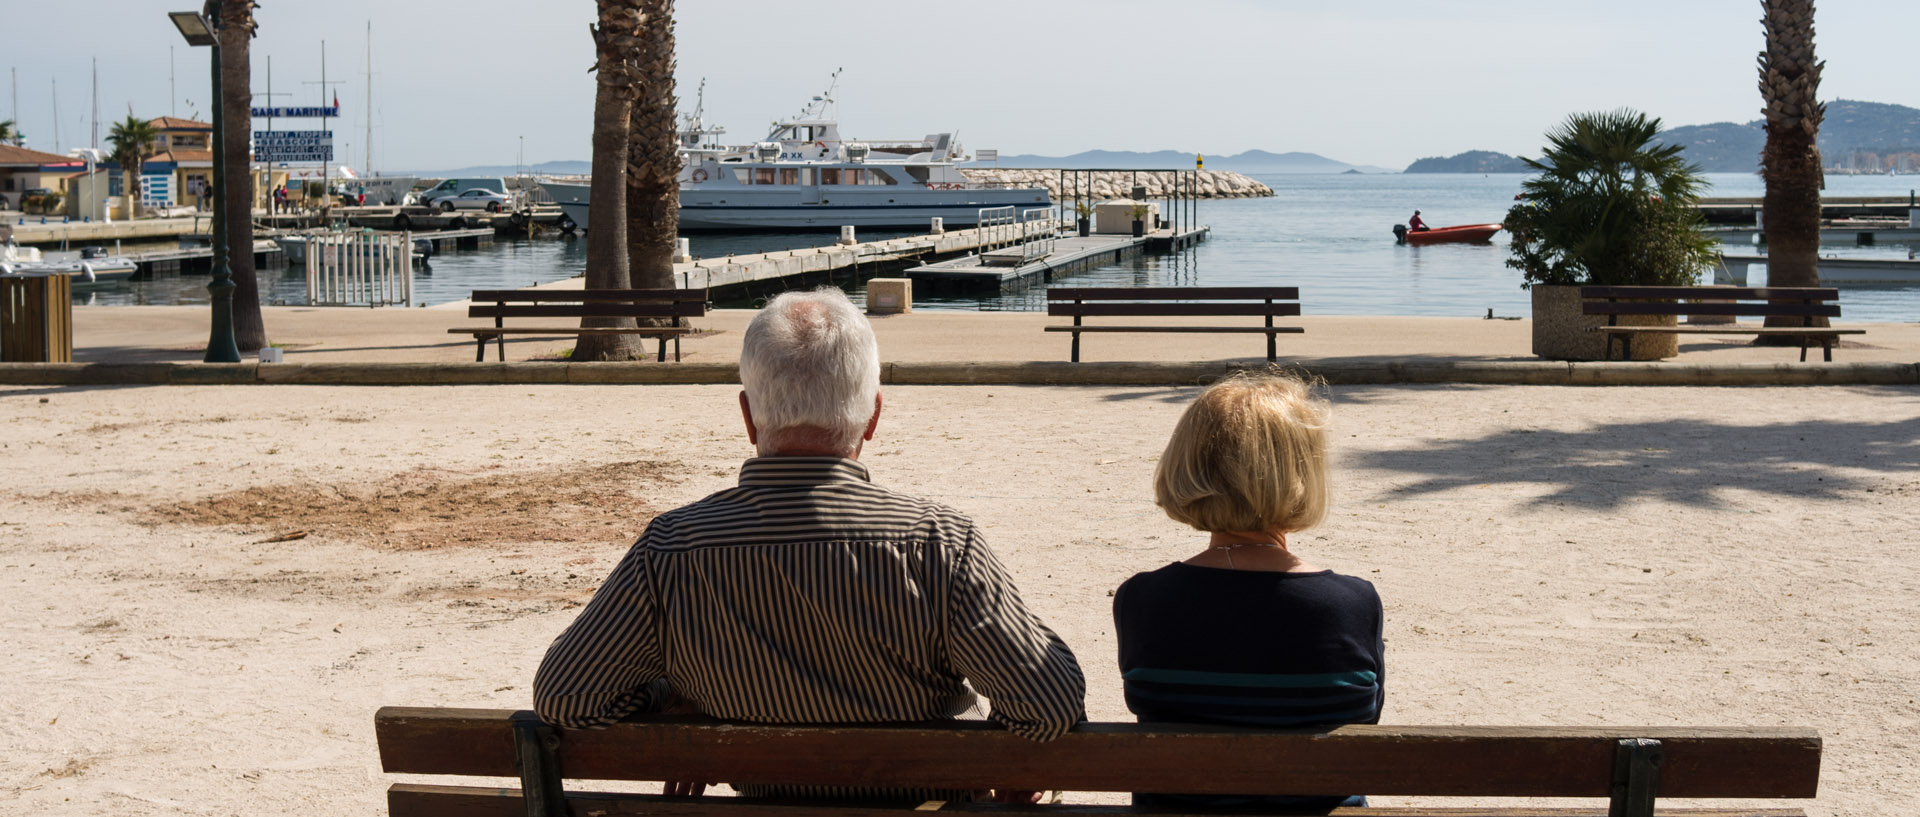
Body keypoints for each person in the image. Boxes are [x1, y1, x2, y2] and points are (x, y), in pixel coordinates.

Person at [534, 287, 1085, 801]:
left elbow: (567, 697)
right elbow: (1050, 705)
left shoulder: (672, 548)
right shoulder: (937, 542)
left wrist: (677, 696)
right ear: (873, 415)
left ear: (749, 418)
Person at [1112, 372, 1383, 811]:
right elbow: (1364, 721)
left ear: (1188, 467)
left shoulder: (1142, 600)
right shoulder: (1352, 603)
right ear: (1302, 473)